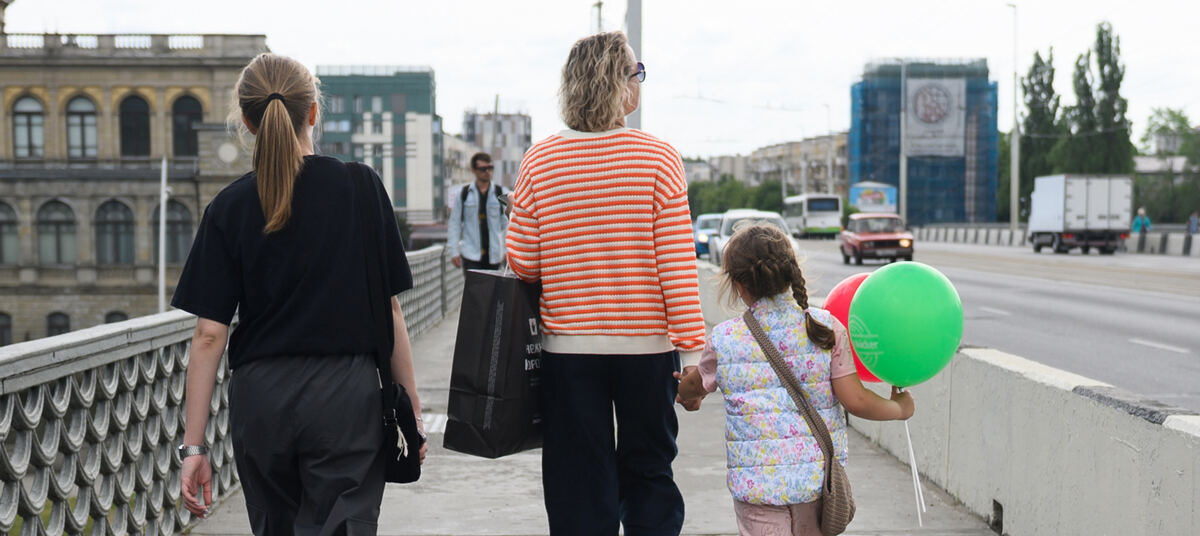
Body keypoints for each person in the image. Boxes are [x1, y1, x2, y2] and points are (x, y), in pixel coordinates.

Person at [174, 53, 426, 535]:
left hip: (260, 398)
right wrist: (410, 409)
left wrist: (195, 447)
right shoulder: (361, 187)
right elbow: (389, 308)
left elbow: (208, 335)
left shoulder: (228, 207)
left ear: (247, 121)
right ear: (313, 111)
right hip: (345, 396)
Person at [505, 31, 706, 536]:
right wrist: (692, 359)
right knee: (649, 473)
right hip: (647, 352)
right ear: (620, 84)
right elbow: (677, 267)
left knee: (577, 482)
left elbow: (524, 264)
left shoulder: (539, 160)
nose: (640, 82)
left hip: (569, 354)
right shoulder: (658, 158)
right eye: (637, 73)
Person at [675, 224, 915, 536]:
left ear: (738, 285)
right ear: (791, 272)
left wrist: (687, 393)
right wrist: (898, 408)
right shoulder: (825, 328)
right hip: (814, 484)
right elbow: (856, 401)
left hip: (757, 487)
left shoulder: (725, 339)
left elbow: (692, 387)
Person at [447, 152, 508, 273]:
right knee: (474, 286)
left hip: (495, 255)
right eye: (483, 169)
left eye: (490, 168)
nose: (487, 172)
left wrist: (508, 250)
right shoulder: (463, 193)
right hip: (471, 255)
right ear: (473, 170)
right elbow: (455, 223)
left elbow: (507, 224)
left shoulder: (501, 193)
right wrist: (454, 251)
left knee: (494, 286)